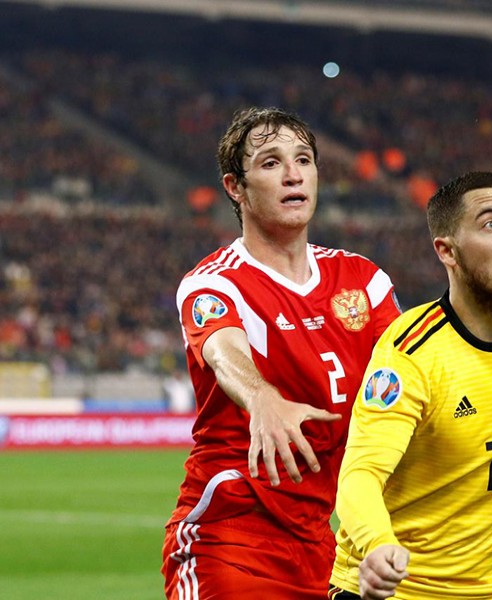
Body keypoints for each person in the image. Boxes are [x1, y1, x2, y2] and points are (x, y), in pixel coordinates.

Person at [160, 107, 401, 599]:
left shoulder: (364, 282)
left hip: (326, 545)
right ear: (235, 187)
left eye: (304, 159)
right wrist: (261, 398)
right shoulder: (215, 282)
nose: (293, 174)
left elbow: (413, 374)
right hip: (229, 539)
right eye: (270, 163)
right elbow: (224, 350)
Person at [328, 171, 492, 599]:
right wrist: (377, 545)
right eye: (491, 224)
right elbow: (359, 476)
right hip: (398, 589)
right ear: (447, 251)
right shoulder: (410, 354)